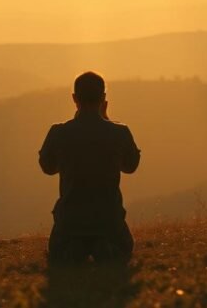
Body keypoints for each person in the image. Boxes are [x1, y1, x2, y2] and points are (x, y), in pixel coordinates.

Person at [39, 71, 141, 263]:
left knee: (60, 253)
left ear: (74, 99)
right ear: (103, 98)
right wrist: (106, 120)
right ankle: (105, 246)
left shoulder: (58, 133)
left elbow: (48, 168)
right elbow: (130, 166)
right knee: (122, 248)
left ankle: (75, 248)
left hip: (70, 222)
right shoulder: (120, 132)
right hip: (109, 220)